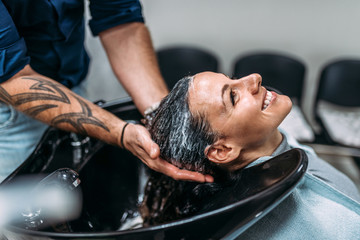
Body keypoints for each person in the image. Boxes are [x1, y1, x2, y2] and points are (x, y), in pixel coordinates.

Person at [0, 0, 212, 183]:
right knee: (17, 223)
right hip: (8, 117)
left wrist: (162, 119)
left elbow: (120, 22)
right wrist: (120, 132)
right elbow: (11, 78)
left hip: (71, 85)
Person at [140, 72, 360, 238]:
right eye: (233, 97)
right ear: (222, 151)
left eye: (233, 78)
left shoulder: (276, 143)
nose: (255, 78)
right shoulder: (298, 222)